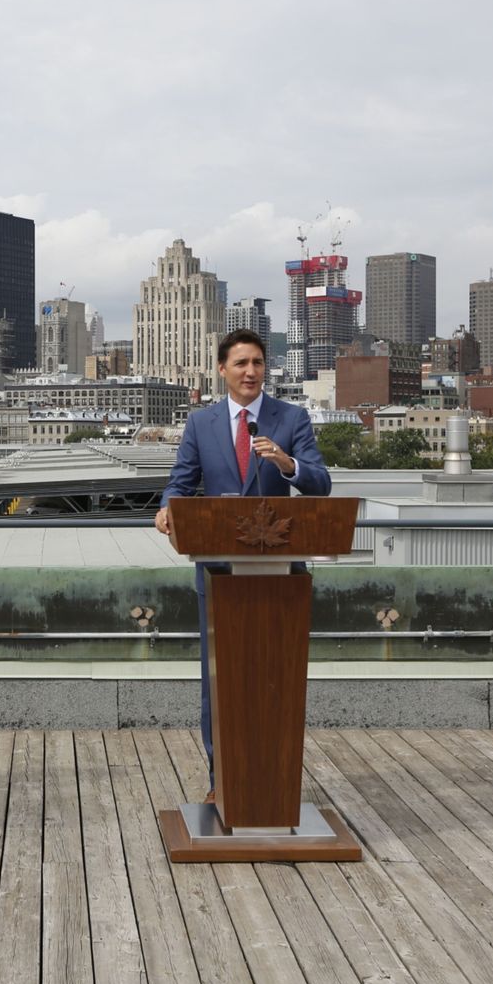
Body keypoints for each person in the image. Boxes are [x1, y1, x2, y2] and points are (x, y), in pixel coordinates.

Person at [154, 328, 331, 800]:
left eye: (257, 363)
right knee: (220, 683)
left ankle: (271, 782)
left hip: (279, 577)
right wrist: (169, 507)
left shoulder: (291, 418)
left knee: (274, 680)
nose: (250, 372)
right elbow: (181, 482)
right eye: (240, 364)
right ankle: (222, 781)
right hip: (218, 572)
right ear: (222, 370)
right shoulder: (200, 424)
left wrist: (288, 463)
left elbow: (321, 484)